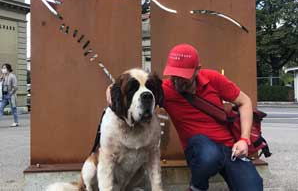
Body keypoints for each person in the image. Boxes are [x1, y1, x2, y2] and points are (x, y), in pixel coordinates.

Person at [107, 44, 263, 191]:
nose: (177, 80)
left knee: (253, 187)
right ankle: (197, 187)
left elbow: (245, 102)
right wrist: (115, 102)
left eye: (183, 76)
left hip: (231, 149)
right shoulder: (165, 90)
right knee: (209, 154)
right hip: (200, 148)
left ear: (197, 70)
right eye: (174, 75)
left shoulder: (214, 79)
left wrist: (244, 139)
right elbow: (113, 90)